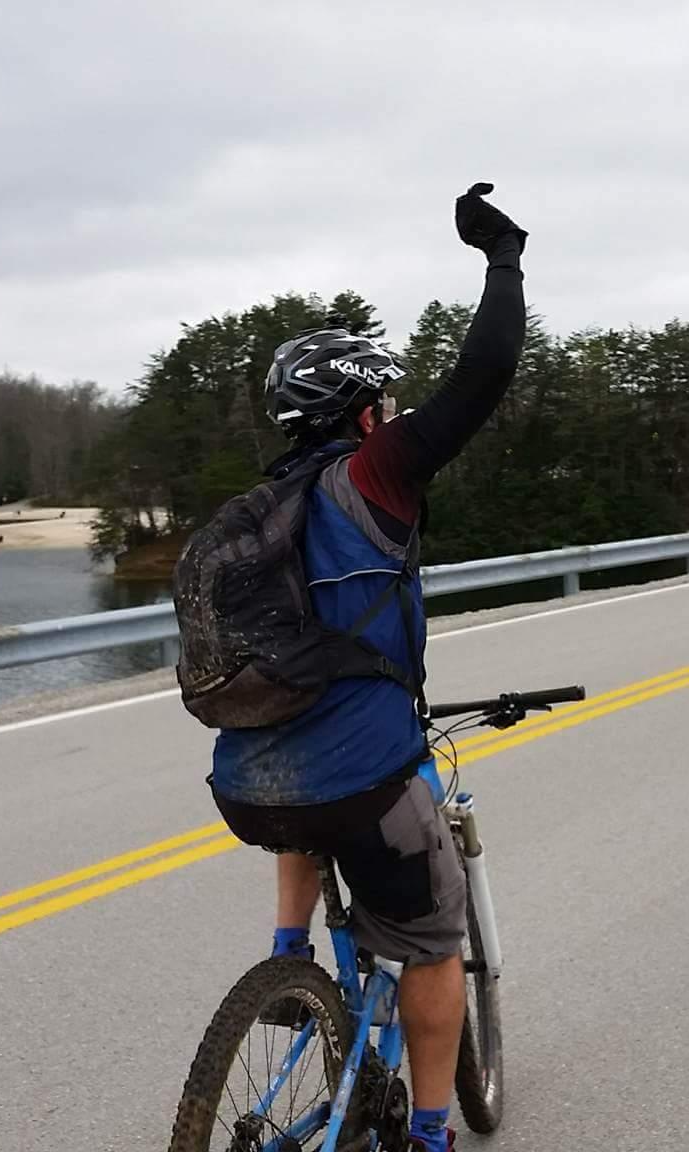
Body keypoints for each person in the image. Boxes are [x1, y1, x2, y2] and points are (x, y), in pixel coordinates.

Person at [206, 184, 526, 1152]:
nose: (394, 410)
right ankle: (430, 1133)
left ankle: (287, 963)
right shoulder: (375, 475)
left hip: (247, 782)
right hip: (365, 779)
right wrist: (503, 259)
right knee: (431, 946)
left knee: (309, 774)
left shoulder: (254, 519)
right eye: (383, 399)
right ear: (361, 411)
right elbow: (484, 374)